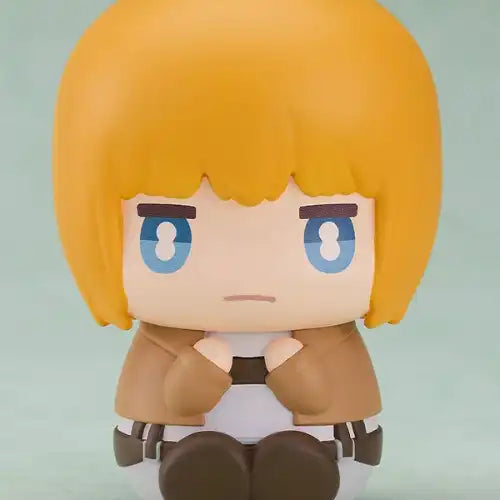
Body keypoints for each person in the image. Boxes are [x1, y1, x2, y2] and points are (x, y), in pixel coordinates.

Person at [53, 0, 441, 499]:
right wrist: (194, 376)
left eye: (326, 233)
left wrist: (299, 375)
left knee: (298, 466)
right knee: (200, 466)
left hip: (324, 455)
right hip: (176, 455)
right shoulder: (167, 340)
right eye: (168, 233)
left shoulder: (328, 341)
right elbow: (172, 398)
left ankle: (294, 473)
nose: (246, 274)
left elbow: (321, 398)